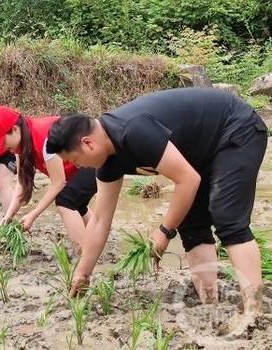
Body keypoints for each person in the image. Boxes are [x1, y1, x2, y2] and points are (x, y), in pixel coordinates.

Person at [45, 88, 268, 335]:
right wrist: (83, 272)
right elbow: (99, 221)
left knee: (228, 217)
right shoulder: (108, 159)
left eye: (74, 159)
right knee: (192, 224)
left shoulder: (133, 130)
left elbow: (188, 180)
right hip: (199, 152)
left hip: (236, 129)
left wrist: (164, 231)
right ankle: (210, 302)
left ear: (87, 143)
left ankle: (253, 310)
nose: (76, 166)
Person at [0, 106, 97, 252]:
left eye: (2, 142)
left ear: (15, 129)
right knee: (77, 203)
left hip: (94, 155)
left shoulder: (44, 138)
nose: (3, 147)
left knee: (66, 201)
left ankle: (83, 255)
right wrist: (8, 216)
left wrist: (33, 215)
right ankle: (97, 241)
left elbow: (58, 183)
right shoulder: (21, 146)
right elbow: (22, 184)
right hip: (79, 166)